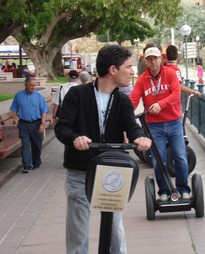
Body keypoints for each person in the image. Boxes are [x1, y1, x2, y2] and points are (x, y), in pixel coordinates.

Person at [54, 45, 151, 254]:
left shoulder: (122, 100)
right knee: (78, 231)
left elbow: (131, 126)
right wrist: (75, 138)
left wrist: (140, 137)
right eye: (128, 66)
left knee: (115, 228)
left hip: (112, 171)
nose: (133, 71)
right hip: (80, 170)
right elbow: (62, 127)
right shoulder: (77, 95)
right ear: (113, 70)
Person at [130, 46, 191, 201]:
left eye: (155, 58)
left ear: (161, 59)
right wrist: (125, 112)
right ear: (146, 61)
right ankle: (163, 191)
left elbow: (176, 94)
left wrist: (161, 104)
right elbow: (133, 99)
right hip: (154, 126)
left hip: (174, 122)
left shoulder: (170, 74)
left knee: (180, 157)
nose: (153, 62)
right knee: (158, 160)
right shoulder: (142, 80)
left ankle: (183, 188)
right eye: (149, 59)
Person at [10, 77, 49, 173]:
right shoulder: (18, 95)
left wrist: (43, 124)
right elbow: (14, 108)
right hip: (23, 124)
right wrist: (15, 118)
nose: (33, 87)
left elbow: (44, 111)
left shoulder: (39, 96)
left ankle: (36, 162)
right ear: (25, 85)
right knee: (25, 145)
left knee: (37, 145)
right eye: (31, 85)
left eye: (34, 85)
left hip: (36, 123)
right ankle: (26, 165)